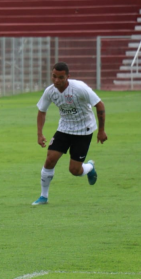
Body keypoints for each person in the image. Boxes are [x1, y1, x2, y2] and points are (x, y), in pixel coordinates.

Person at [32, 62, 107, 205]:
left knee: (74, 170)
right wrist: (39, 134)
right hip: (64, 129)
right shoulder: (50, 91)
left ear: (68, 76)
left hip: (83, 130)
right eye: (54, 76)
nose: (56, 81)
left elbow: (100, 104)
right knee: (50, 159)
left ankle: (89, 167)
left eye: (60, 77)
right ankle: (43, 196)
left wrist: (101, 131)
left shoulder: (80, 88)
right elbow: (42, 111)